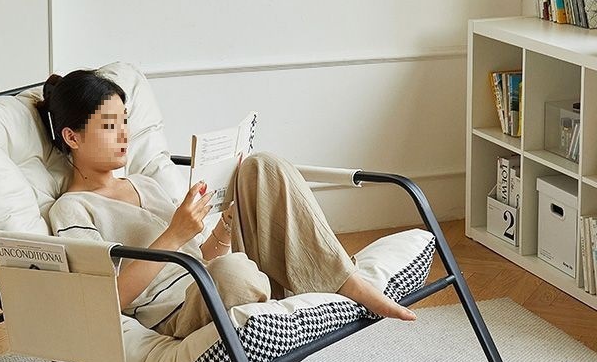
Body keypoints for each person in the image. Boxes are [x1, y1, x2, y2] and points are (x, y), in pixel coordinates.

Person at [42, 69, 416, 339]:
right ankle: (305, 293)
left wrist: (225, 225)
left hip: (217, 279)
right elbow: (103, 299)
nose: (125, 134)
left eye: (125, 122)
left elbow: (202, 256)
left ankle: (345, 282)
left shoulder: (144, 184)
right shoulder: (72, 209)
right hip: (182, 309)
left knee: (261, 166)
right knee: (234, 271)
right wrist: (174, 235)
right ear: (72, 137)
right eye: (110, 126)